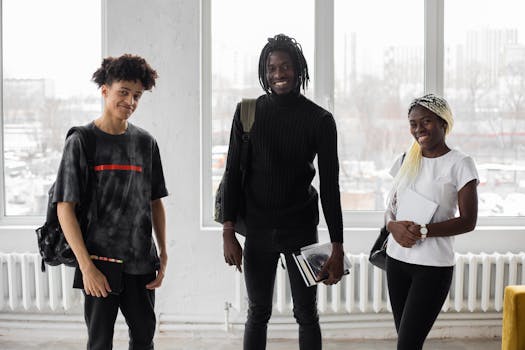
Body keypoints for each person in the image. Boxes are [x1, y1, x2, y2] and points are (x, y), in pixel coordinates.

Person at [221, 34, 345, 350]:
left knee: (306, 313)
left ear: (298, 70)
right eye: (272, 67)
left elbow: (330, 187)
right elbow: (232, 173)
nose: (279, 74)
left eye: (286, 66)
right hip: (258, 230)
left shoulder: (320, 120)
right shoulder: (247, 112)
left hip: (302, 230)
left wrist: (337, 246)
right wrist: (228, 232)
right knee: (257, 312)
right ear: (264, 72)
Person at [54, 54, 168, 350]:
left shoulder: (146, 142)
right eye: (123, 92)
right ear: (105, 90)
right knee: (100, 342)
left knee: (144, 339)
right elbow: (64, 207)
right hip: (100, 263)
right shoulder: (81, 141)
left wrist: (163, 254)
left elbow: (155, 201)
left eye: (137, 95)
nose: (130, 101)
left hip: (141, 261)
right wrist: (87, 267)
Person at [385, 94, 479, 350]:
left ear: (443, 123)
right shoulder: (406, 159)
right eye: (413, 124)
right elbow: (390, 208)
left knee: (408, 344)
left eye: (426, 121)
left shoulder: (460, 163)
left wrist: (424, 230)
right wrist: (393, 227)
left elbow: (468, 221)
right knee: (406, 342)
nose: (418, 129)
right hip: (397, 262)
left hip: (432, 268)